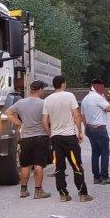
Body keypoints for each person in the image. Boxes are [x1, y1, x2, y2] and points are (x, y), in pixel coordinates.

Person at [42, 75, 91, 203]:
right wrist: (80, 131)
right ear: (63, 84)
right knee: (76, 165)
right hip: (69, 137)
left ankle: (63, 194)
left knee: (59, 167)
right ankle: (83, 194)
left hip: (56, 138)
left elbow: (44, 120)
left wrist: (50, 134)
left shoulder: (47, 100)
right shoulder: (69, 96)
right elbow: (76, 115)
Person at [4, 81, 51, 199]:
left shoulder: (20, 103)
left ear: (31, 90)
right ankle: (38, 191)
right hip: (41, 136)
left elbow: (8, 113)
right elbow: (48, 119)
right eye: (42, 89)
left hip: (26, 138)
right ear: (40, 90)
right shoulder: (44, 103)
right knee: (39, 164)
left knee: (25, 165)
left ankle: (23, 190)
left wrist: (19, 123)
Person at [82, 78, 110, 184]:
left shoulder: (85, 98)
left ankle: (96, 177)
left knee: (95, 153)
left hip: (89, 128)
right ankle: (105, 177)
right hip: (99, 129)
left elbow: (82, 115)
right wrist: (103, 97)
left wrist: (86, 126)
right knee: (105, 153)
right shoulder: (97, 97)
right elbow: (108, 108)